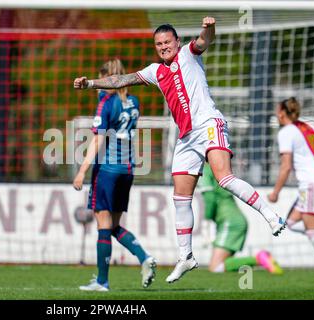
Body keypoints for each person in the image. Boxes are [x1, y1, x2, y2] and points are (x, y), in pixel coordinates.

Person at [74, 17, 286, 284]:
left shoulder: (188, 53)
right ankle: (186, 256)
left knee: (224, 178)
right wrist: (91, 84)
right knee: (180, 196)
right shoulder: (154, 71)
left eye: (167, 42)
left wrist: (208, 27)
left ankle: (271, 216)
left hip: (208, 123)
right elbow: (121, 80)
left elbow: (204, 40)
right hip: (186, 137)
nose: (163, 47)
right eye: (158, 44)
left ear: (176, 42)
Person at [73, 59, 157, 292]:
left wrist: (81, 171)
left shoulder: (107, 103)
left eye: (101, 80)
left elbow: (99, 139)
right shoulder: (134, 101)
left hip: (107, 170)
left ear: (110, 80)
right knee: (115, 225)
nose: (98, 86)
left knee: (103, 223)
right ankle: (144, 257)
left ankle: (102, 281)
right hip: (127, 169)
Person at [199, 164, 283, 274]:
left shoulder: (204, 170)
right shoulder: (213, 167)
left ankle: (259, 259)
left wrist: (206, 222)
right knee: (221, 264)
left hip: (229, 223)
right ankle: (260, 259)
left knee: (215, 267)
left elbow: (210, 198)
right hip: (232, 220)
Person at [268, 97, 314, 259]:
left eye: (278, 111)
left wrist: (275, 192)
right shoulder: (310, 127)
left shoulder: (287, 132)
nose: (277, 115)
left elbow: (286, 167)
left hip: (312, 183)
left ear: (283, 113)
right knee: (291, 223)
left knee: (312, 230)